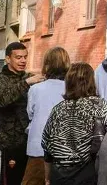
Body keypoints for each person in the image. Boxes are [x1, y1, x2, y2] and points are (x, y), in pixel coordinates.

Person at [42, 62, 107, 185]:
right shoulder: (102, 107)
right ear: (92, 81)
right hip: (89, 175)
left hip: (60, 176)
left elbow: (46, 146)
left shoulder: (57, 109)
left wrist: (47, 178)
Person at [0, 42, 45, 185]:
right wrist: (27, 83)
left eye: (25, 57)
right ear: (8, 59)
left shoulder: (29, 77)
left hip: (31, 141)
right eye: (18, 57)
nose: (23, 61)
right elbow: (3, 100)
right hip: (11, 144)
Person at [23, 47, 71, 185]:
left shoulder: (36, 89)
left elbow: (30, 113)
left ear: (46, 64)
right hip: (64, 147)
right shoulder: (71, 89)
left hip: (38, 146)